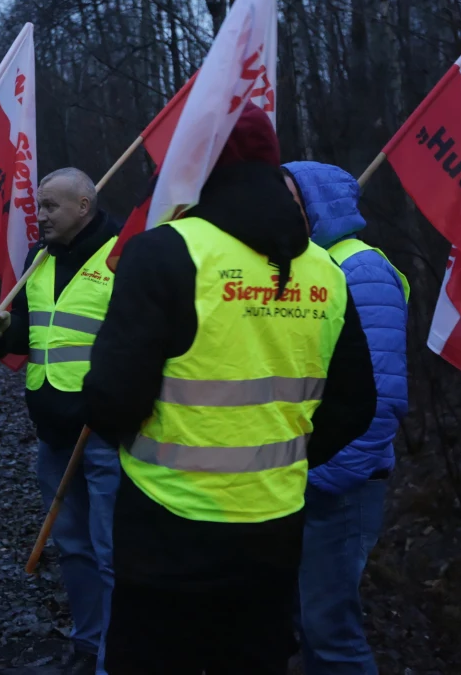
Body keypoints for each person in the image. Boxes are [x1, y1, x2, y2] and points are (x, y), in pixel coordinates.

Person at [81, 103, 378, 675]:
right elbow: (356, 405)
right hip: (274, 525)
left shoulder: (166, 250)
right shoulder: (325, 270)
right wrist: (281, 455)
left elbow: (112, 399)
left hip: (166, 523)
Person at [0, 168, 121, 675]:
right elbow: (37, 338)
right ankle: (88, 644)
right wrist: (4, 330)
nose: (39, 216)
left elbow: (143, 340)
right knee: (73, 547)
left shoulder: (122, 254)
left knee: (110, 551)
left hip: (105, 433)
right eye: (39, 206)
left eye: (50, 207)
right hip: (53, 431)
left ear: (84, 206)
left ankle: (116, 656)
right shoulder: (38, 261)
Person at [282, 162, 410, 675]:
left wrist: (322, 477)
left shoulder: (360, 270)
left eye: (289, 196)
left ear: (316, 203)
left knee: (330, 630)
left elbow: (378, 399)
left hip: (341, 484)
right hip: (302, 477)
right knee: (305, 622)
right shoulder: (305, 265)